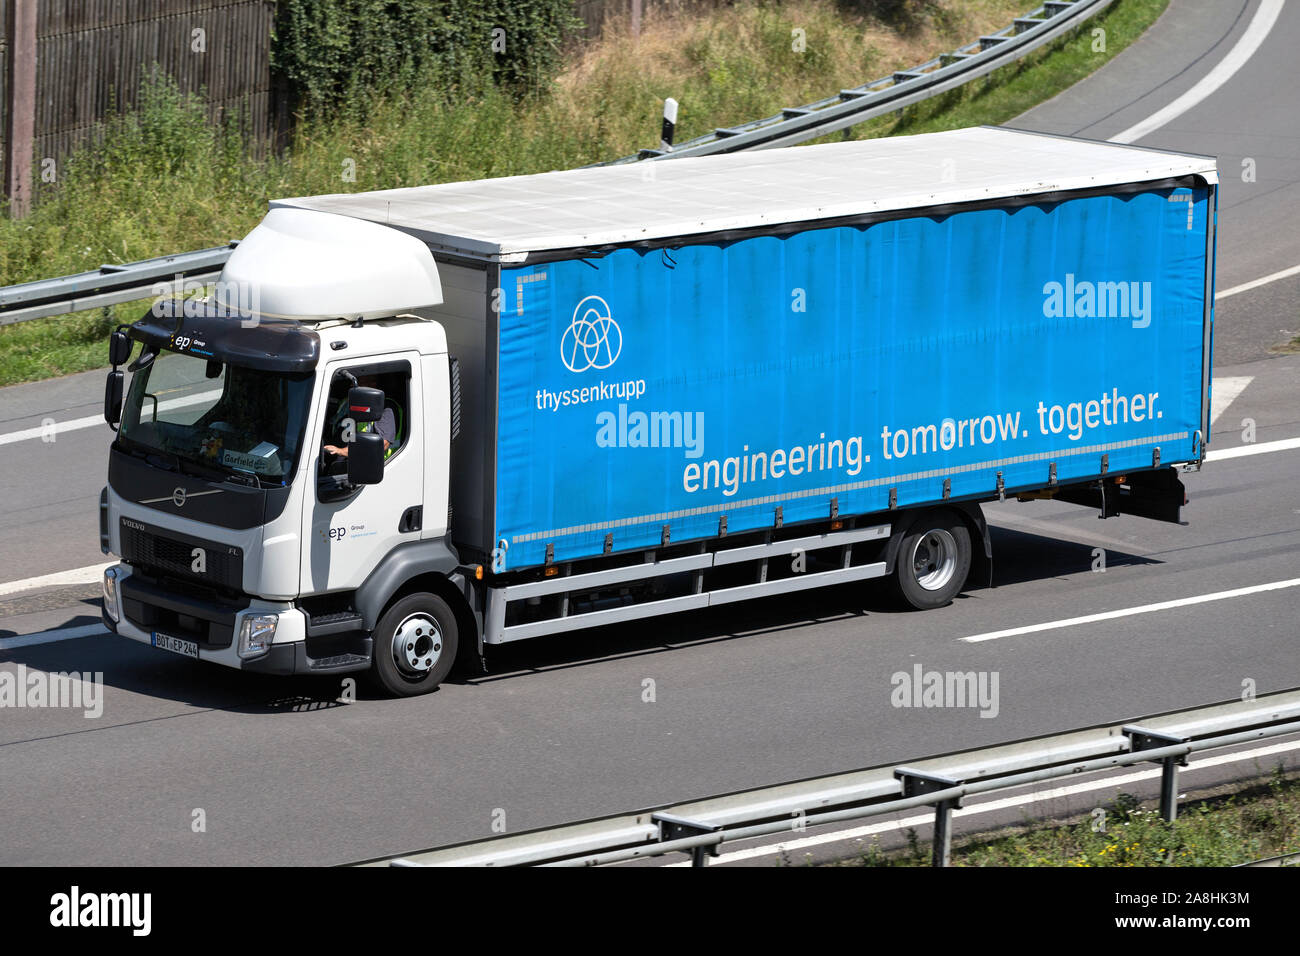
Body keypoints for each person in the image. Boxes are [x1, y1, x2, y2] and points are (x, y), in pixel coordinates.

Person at [323, 375, 399, 459]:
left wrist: (342, 451)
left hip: (375, 466)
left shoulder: (385, 408)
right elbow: (345, 435)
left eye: (360, 382)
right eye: (354, 383)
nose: (353, 386)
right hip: (341, 463)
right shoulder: (346, 403)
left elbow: (382, 444)